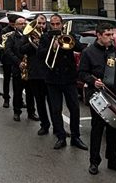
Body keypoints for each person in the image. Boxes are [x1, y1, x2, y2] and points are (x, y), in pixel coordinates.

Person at [78, 22, 116, 175]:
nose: (111, 37)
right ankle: (94, 162)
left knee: (114, 131)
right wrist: (93, 81)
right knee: (97, 130)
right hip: (98, 97)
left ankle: (113, 161)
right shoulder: (89, 52)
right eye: (107, 35)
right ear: (99, 35)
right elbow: (82, 73)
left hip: (115, 97)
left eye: (112, 34)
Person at [35, 14, 86, 150]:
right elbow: (40, 54)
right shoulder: (46, 37)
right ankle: (60, 136)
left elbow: (80, 48)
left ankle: (76, 137)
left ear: (62, 24)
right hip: (52, 78)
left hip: (69, 78)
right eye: (53, 24)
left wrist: (71, 41)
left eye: (58, 24)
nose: (56, 26)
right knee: (56, 109)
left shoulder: (69, 35)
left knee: (74, 108)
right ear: (50, 25)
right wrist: (53, 47)